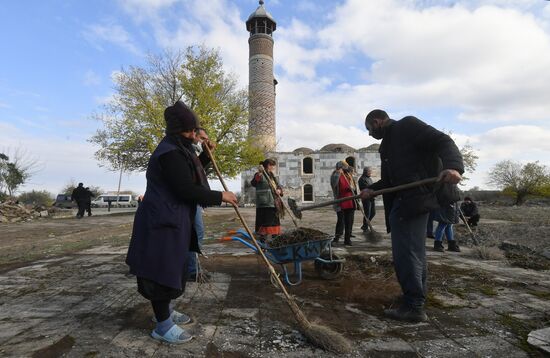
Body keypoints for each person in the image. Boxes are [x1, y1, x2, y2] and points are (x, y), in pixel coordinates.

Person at [126, 101, 238, 344]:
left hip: (173, 217)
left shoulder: (180, 149)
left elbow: (192, 174)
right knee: (161, 270)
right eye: (191, 131)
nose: (195, 135)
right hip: (161, 221)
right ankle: (162, 325)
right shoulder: (169, 153)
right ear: (178, 130)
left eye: (194, 130)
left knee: (172, 267)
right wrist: (221, 196)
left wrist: (206, 156)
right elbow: (185, 188)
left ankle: (165, 312)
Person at [360, 109, 463, 323]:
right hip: (404, 201)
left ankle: (414, 306)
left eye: (369, 129)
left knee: (406, 254)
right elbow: (390, 181)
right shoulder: (386, 147)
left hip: (415, 201)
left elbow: (443, 141)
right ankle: (414, 297)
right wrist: (372, 190)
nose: (370, 134)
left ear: (377, 121)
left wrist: (454, 166)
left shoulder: (407, 126)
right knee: (413, 253)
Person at [187, 127, 210, 281]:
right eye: (203, 138)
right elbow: (191, 176)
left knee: (196, 233)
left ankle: (191, 267)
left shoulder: (192, 152)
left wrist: (207, 155)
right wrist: (218, 197)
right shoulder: (185, 150)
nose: (205, 142)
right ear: (193, 135)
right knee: (196, 233)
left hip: (193, 200)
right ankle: (191, 270)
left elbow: (198, 168)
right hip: (188, 199)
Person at [251, 159, 283, 236]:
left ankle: (275, 239)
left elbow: (278, 186)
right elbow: (253, 183)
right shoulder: (260, 174)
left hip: (274, 203)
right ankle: (262, 242)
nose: (274, 168)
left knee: (274, 222)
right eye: (273, 166)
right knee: (264, 224)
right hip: (264, 204)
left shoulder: (272, 175)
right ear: (269, 166)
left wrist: (279, 190)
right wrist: (259, 174)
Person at [330, 160, 357, 246]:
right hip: (340, 201)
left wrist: (352, 189)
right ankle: (336, 238)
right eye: (345, 167)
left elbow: (354, 186)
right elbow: (334, 184)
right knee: (341, 221)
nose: (347, 168)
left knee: (349, 221)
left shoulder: (348, 175)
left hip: (350, 201)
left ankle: (347, 239)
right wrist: (338, 173)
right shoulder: (335, 174)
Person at [358, 167, 376, 231]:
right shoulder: (362, 179)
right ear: (365, 172)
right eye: (369, 171)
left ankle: (365, 225)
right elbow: (366, 188)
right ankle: (365, 227)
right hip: (366, 199)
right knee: (367, 213)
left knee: (373, 213)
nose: (370, 173)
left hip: (372, 198)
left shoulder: (369, 179)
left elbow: (372, 187)